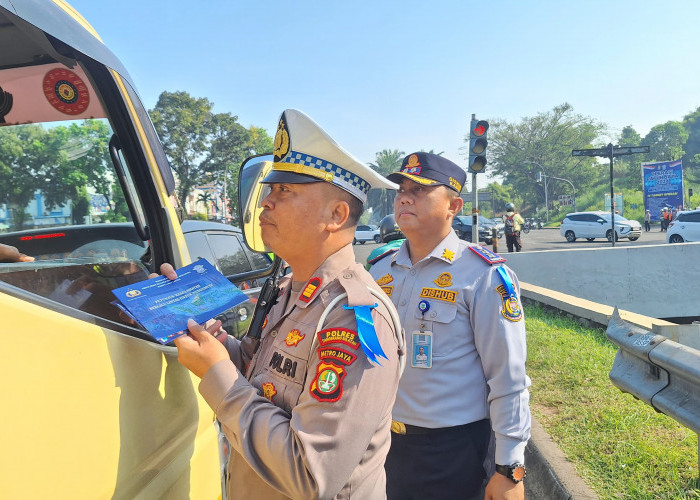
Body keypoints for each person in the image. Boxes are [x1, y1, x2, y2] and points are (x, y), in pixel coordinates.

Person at [168, 109, 404, 500]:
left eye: (284, 192)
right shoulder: (289, 289)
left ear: (336, 215)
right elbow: (258, 374)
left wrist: (216, 376)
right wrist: (201, 329)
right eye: (269, 190)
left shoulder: (356, 317)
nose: (266, 203)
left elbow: (310, 475)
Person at [369, 152, 531, 500]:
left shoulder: (483, 274)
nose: (405, 198)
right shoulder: (378, 271)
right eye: (401, 191)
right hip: (381, 443)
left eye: (421, 190)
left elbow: (508, 376)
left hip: (451, 450)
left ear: (453, 206)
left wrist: (509, 468)